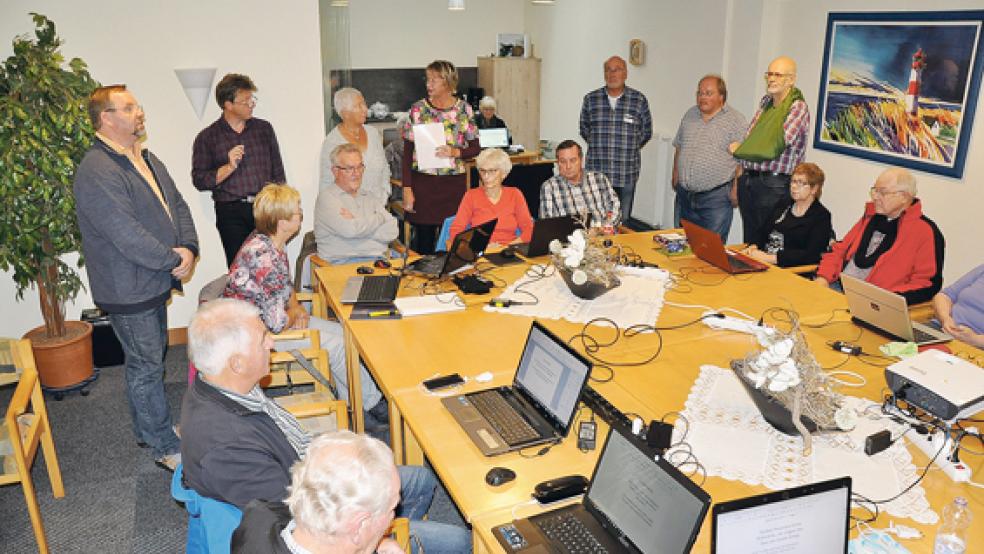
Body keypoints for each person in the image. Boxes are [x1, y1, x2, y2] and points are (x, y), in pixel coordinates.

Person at [182, 299, 471, 553]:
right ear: (237, 364)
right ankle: (395, 529)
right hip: (324, 513)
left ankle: (397, 524)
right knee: (460, 541)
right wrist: (372, 539)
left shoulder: (221, 386)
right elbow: (297, 514)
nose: (271, 342)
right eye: (262, 339)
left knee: (421, 479)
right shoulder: (225, 448)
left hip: (310, 475)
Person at [73, 84, 198, 471]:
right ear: (106, 118)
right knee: (147, 364)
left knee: (147, 359)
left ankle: (150, 429)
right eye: (129, 108)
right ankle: (162, 444)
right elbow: (123, 232)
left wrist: (189, 249)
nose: (139, 112)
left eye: (138, 106)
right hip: (129, 285)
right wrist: (169, 259)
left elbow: (176, 203)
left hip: (150, 279)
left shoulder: (143, 157)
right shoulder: (97, 169)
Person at [222, 183, 385, 421]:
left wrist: (297, 308)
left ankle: (357, 403)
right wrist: (293, 317)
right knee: (339, 346)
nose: (301, 213)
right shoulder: (263, 256)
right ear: (282, 223)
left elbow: (286, 289)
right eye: (297, 210)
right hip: (254, 336)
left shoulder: (272, 242)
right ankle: (369, 406)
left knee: (344, 333)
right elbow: (275, 324)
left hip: (270, 322)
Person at [231, 431, 406, 554]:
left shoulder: (259, 516)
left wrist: (371, 543)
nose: (393, 516)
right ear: (359, 526)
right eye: (392, 508)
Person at [192, 73, 286, 267]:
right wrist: (228, 167)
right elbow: (200, 180)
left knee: (272, 267)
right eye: (245, 101)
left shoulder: (264, 129)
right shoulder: (207, 138)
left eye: (252, 99)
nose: (251, 104)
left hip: (265, 208)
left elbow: (278, 172)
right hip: (231, 211)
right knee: (240, 270)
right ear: (228, 104)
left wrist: (282, 206)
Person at [816, 167, 945, 305]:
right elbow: (839, 250)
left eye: (882, 192)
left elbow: (927, 284)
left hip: (873, 303)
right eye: (875, 190)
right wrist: (823, 277)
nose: (875, 197)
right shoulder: (871, 216)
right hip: (836, 287)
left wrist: (885, 300)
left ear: (904, 197)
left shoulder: (926, 231)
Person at [401, 60, 480, 254]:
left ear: (447, 82)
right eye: (427, 80)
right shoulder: (418, 110)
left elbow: (476, 148)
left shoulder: (464, 110)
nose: (428, 85)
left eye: (433, 80)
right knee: (424, 245)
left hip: (453, 186)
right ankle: (423, 282)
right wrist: (407, 188)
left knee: (451, 242)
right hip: (424, 186)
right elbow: (407, 153)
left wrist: (456, 152)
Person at [731, 56, 810, 244]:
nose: (771, 79)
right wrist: (739, 176)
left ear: (791, 80)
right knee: (750, 241)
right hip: (749, 180)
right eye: (769, 74)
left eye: (778, 75)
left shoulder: (797, 107)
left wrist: (739, 150)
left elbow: (774, 146)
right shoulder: (766, 103)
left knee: (766, 242)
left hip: (773, 185)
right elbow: (752, 138)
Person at [672, 75, 747, 242]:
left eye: (708, 93)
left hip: (715, 199)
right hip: (685, 195)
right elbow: (679, 145)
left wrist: (736, 188)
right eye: (699, 93)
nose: (702, 97)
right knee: (679, 246)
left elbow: (742, 160)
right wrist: (676, 173)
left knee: (711, 251)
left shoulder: (736, 120)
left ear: (721, 96)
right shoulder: (690, 114)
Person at [579, 55, 652, 223]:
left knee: (623, 220)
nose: (612, 74)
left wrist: (629, 147)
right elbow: (584, 129)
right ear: (604, 74)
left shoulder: (638, 100)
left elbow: (646, 132)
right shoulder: (591, 100)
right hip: (598, 172)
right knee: (595, 220)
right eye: (608, 70)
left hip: (626, 172)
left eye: (617, 69)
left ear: (625, 73)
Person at [315, 144, 399, 264]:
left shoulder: (369, 196)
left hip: (380, 260)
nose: (357, 173)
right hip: (344, 264)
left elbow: (392, 232)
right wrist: (379, 219)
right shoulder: (327, 198)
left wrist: (357, 222)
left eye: (360, 167)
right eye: (349, 168)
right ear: (335, 171)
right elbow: (351, 230)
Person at [744, 162, 832, 267]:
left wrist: (771, 258)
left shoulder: (821, 216)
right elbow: (762, 232)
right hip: (764, 263)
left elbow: (812, 255)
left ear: (814, 189)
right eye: (793, 181)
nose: (794, 186)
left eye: (801, 183)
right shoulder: (784, 204)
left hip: (790, 270)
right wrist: (754, 246)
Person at [447, 148, 533, 248]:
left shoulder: (515, 194)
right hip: (480, 252)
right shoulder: (471, 196)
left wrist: (506, 247)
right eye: (483, 171)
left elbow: (529, 229)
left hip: (509, 251)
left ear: (504, 174)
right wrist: (476, 247)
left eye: (492, 171)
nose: (486, 176)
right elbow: (456, 230)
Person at [319, 87, 391, 205]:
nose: (365, 109)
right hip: (348, 212)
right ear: (345, 113)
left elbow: (385, 167)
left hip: (378, 207)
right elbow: (326, 183)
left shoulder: (373, 133)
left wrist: (385, 192)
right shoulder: (332, 142)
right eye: (359, 106)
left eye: (364, 104)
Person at [539, 139, 620, 226]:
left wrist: (602, 229)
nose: (568, 166)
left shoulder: (599, 179)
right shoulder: (549, 187)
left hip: (603, 234)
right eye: (563, 162)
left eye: (573, 160)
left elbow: (615, 209)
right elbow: (547, 224)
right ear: (557, 163)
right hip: (570, 237)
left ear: (581, 160)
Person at [932, 264, 984, 348]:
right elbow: (944, 295)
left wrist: (975, 340)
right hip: (940, 328)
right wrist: (945, 318)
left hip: (975, 347)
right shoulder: (982, 270)